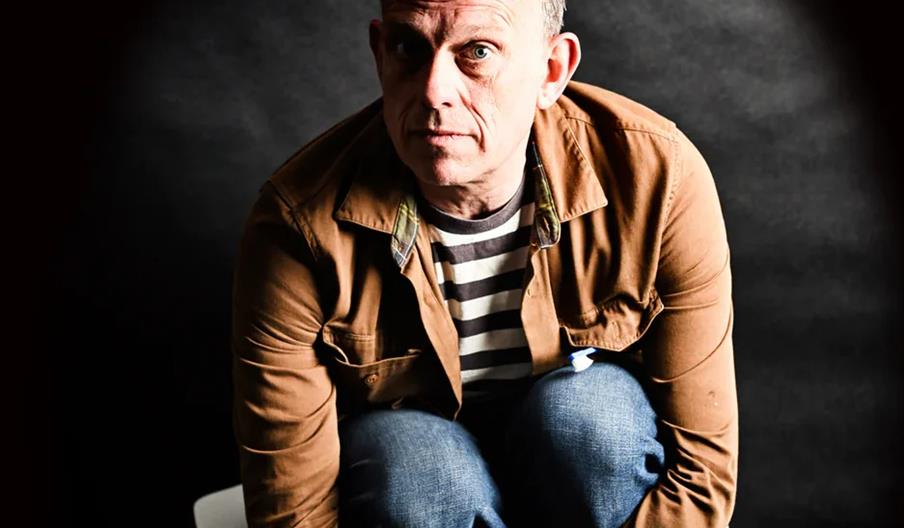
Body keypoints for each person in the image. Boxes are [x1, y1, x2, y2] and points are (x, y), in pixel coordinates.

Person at [231, 0, 738, 526]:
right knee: (419, 475)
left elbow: (699, 478)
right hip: (419, 475)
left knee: (593, 422)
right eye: (409, 48)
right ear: (380, 52)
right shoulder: (298, 223)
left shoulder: (659, 177)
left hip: (573, 476)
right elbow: (294, 511)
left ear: (551, 70)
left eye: (477, 52)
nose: (433, 91)